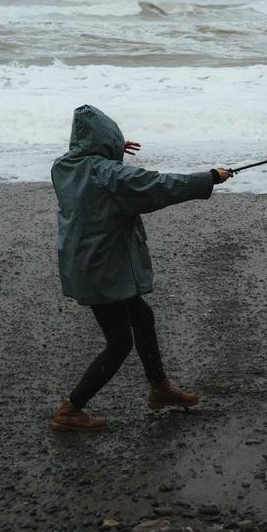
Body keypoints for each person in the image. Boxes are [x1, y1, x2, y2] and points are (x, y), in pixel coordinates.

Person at [49, 104, 232, 432]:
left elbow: (94, 166)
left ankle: (159, 388)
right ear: (105, 141)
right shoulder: (110, 176)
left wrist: (111, 149)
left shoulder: (63, 167)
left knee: (142, 316)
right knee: (119, 344)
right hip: (103, 271)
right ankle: (71, 408)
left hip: (86, 263)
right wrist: (210, 178)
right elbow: (160, 185)